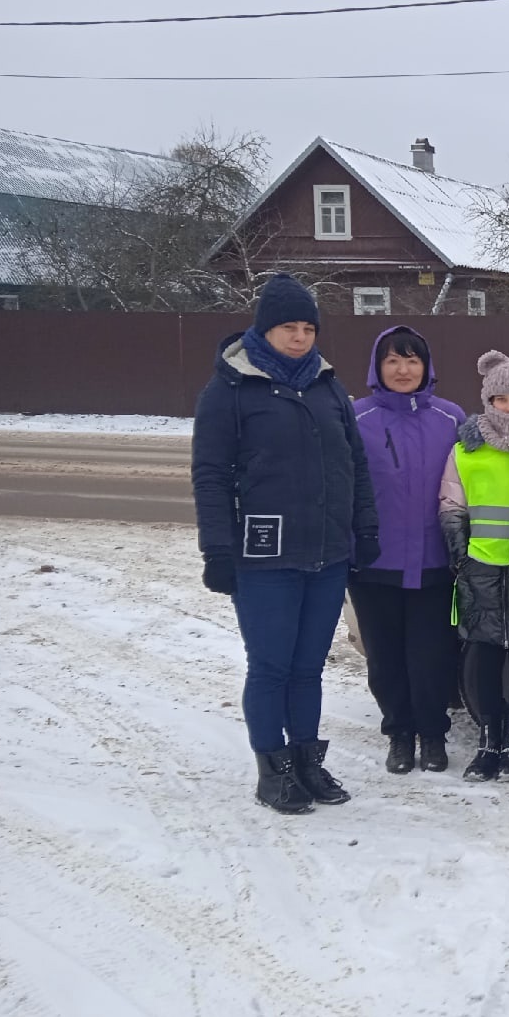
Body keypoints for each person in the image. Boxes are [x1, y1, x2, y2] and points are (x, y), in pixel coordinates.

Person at [191, 273, 376, 814]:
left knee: (308, 667)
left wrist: (364, 528)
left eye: (307, 328)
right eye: (288, 328)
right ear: (263, 330)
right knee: (271, 666)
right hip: (263, 556)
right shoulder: (229, 390)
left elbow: (354, 464)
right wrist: (218, 550)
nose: (299, 337)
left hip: (327, 553)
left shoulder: (326, 386)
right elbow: (211, 474)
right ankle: (271, 770)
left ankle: (306, 763)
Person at [349, 326, 465, 775]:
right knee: (386, 659)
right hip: (374, 565)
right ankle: (399, 734)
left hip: (436, 565)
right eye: (393, 361)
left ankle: (433, 736)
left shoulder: (452, 419)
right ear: (378, 367)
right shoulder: (356, 419)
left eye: (412, 360)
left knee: (432, 656)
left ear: (427, 366)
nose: (403, 369)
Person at [438, 351, 509, 783]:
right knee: (484, 657)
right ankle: (489, 742)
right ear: (487, 399)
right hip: (481, 568)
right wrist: (460, 553)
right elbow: (451, 504)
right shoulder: (467, 452)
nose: (508, 407)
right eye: (500, 398)